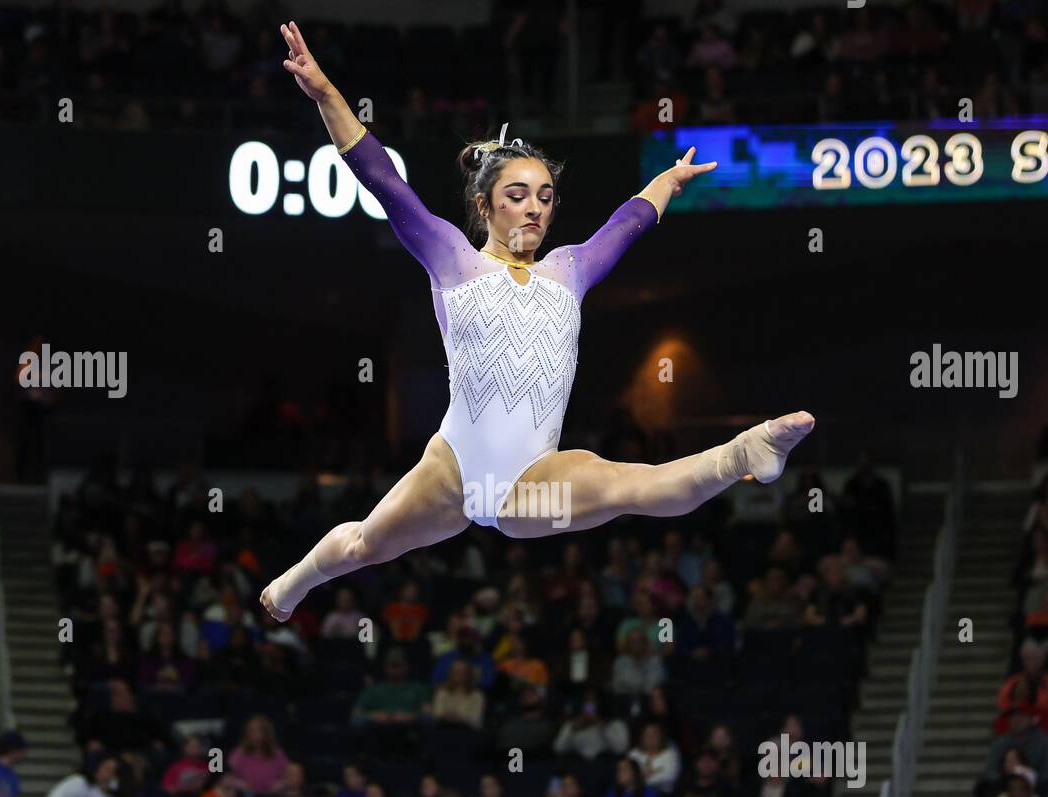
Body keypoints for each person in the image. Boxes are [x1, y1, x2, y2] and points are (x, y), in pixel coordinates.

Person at [260, 22, 814, 624]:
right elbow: (385, 182)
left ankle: (744, 450)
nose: (536, 208)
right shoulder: (453, 260)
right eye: (519, 195)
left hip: (531, 482)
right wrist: (324, 95)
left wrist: (666, 181)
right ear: (485, 205)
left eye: (546, 197)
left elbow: (624, 227)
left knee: (638, 488)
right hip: (451, 467)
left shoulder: (567, 272)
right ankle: (294, 583)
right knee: (366, 544)